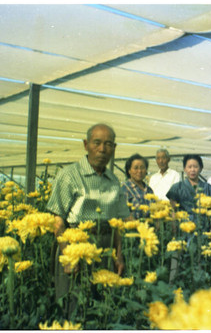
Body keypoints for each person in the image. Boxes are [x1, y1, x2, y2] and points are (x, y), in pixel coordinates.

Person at [46, 123, 130, 314]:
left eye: (108, 144)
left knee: (103, 306)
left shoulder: (113, 180)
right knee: (74, 305)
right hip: (76, 247)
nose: (102, 149)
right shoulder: (69, 175)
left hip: (106, 248)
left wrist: (119, 254)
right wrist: (68, 256)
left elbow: (116, 222)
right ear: (86, 144)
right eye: (97, 143)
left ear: (114, 148)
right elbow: (57, 221)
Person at [166, 154, 211, 230]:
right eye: (189, 167)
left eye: (195, 167)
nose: (192, 170)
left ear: (201, 168)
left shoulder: (209, 188)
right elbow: (173, 211)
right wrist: (174, 229)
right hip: (184, 229)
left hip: (204, 229)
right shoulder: (177, 188)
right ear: (184, 169)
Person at [122, 153, 154, 219]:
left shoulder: (149, 190)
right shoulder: (125, 189)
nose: (139, 171)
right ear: (129, 171)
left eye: (142, 168)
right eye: (136, 168)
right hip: (133, 228)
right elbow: (122, 214)